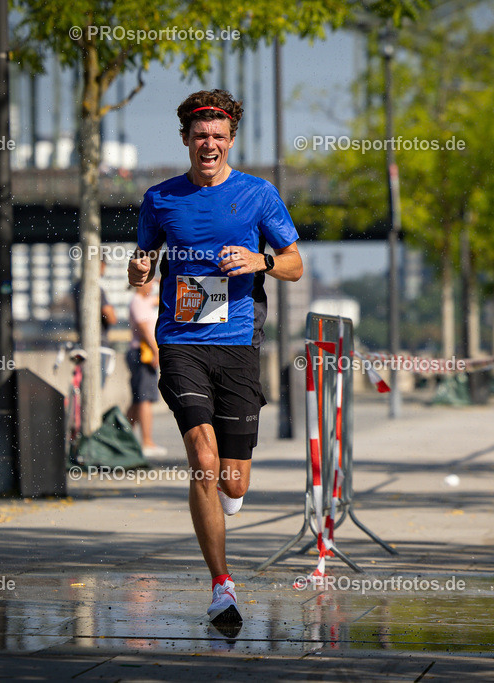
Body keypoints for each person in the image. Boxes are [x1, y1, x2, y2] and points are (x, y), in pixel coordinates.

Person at [126, 89, 302, 629]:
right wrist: (137, 270)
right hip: (180, 342)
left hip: (238, 342)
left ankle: (227, 493)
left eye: (218, 136)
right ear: (185, 138)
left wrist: (259, 260)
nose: (209, 144)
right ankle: (222, 585)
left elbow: (295, 264)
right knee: (202, 459)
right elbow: (143, 260)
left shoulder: (258, 194)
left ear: (230, 140)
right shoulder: (160, 198)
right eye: (200, 135)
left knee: (233, 481)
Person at [126, 279, 168, 457]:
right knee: (144, 398)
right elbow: (144, 329)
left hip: (142, 353)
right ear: (140, 284)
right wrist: (155, 351)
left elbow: (161, 299)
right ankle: (147, 441)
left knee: (138, 399)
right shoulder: (137, 301)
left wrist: (160, 280)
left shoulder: (144, 301)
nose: (151, 287)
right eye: (149, 283)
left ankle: (123, 437)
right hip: (142, 353)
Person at [72, 259, 118, 384]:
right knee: (95, 385)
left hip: (82, 342)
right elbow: (111, 317)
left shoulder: (77, 286)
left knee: (80, 384)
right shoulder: (94, 288)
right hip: (98, 345)